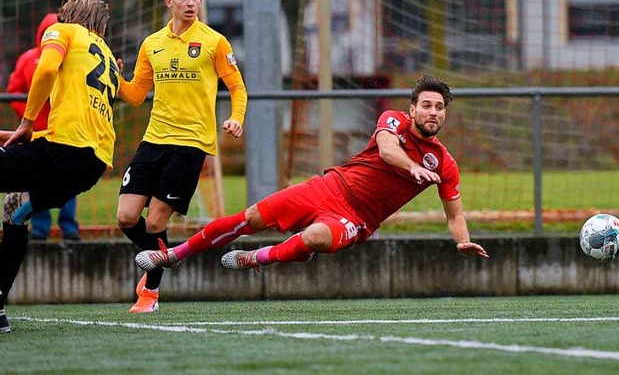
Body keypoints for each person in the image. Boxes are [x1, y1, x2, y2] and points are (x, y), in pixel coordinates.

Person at [135, 75, 490, 281]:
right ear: (412, 109)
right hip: (328, 187)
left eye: (439, 107)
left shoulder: (444, 163)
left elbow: (454, 215)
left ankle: (258, 258)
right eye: (426, 105)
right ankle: (175, 255)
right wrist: (410, 167)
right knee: (250, 218)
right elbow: (386, 150)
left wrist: (462, 240)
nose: (432, 112)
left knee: (317, 236)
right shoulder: (393, 120)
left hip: (356, 218)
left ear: (444, 115)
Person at [116, 0, 248, 313]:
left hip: (191, 143)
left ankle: (150, 294)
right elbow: (134, 95)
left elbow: (237, 87)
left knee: (156, 222)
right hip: (154, 139)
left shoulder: (215, 42)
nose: (191, 4)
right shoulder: (152, 44)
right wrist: (115, 78)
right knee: (126, 217)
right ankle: (164, 258)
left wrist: (236, 117)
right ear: (169, 1)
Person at [0, 0, 128, 334]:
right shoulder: (106, 56)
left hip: (63, 152)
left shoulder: (63, 31)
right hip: (90, 167)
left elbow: (44, 70)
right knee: (15, 210)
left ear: (68, 13)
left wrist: (27, 122)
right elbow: (130, 97)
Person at [6, 13, 80, 241]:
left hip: (64, 132)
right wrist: (29, 114)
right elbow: (13, 91)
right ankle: (42, 227)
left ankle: (68, 226)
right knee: (42, 178)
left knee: (64, 179)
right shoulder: (29, 59)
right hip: (39, 133)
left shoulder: (73, 60)